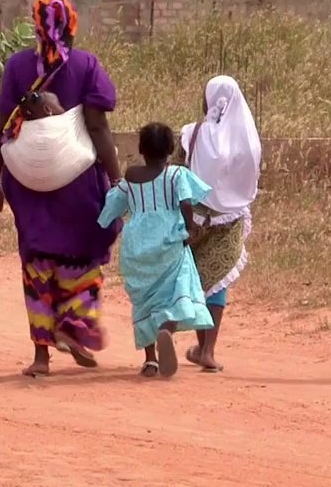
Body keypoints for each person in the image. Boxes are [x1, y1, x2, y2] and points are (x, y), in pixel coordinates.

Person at [0, 0, 123, 377]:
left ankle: (41, 356)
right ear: (72, 27)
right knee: (83, 253)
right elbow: (98, 127)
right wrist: (115, 180)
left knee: (37, 262)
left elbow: (2, 128)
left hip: (27, 184)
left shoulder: (16, 67)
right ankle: (75, 324)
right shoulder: (87, 65)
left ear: (36, 27)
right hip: (78, 184)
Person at [99, 123, 216, 378]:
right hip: (168, 242)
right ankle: (167, 329)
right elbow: (186, 203)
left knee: (145, 299)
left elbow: (113, 206)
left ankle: (150, 359)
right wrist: (189, 230)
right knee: (176, 290)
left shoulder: (131, 177)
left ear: (141, 149)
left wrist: (102, 221)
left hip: (137, 245)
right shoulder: (176, 175)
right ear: (170, 149)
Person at [173, 75, 262, 373]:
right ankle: (207, 350)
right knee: (218, 278)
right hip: (231, 217)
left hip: (194, 216)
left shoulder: (192, 133)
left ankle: (168, 330)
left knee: (192, 276)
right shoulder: (248, 141)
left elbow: (176, 170)